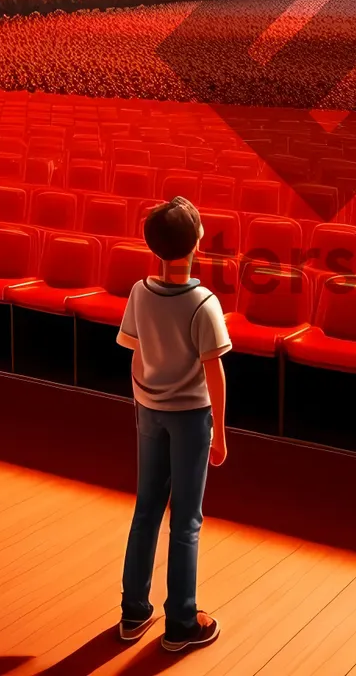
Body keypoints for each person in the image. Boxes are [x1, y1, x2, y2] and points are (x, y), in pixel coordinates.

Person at [116, 197, 231, 652]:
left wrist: (141, 403)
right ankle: (181, 620)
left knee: (146, 511)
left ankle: (133, 610)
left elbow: (135, 352)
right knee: (185, 520)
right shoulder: (204, 303)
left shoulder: (139, 292)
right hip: (189, 420)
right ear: (198, 243)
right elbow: (214, 372)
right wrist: (220, 432)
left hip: (149, 410)